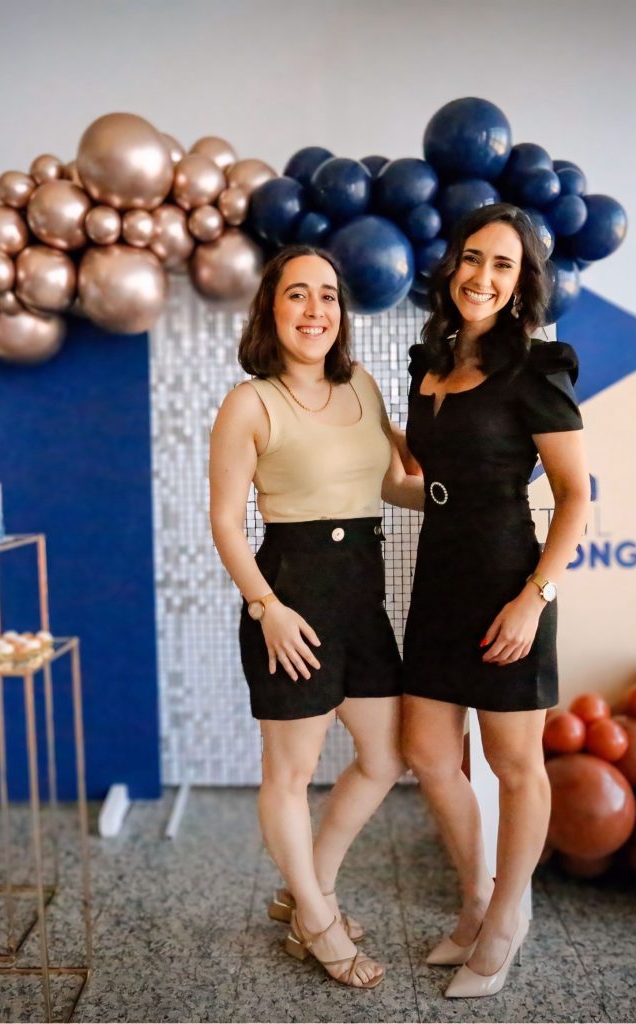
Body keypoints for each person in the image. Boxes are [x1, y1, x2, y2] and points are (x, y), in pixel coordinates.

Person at [208, 245, 424, 989]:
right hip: (290, 596)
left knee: (385, 757)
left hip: (361, 597)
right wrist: (265, 608)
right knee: (290, 772)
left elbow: (389, 485)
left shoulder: (361, 384)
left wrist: (460, 493)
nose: (315, 309)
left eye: (327, 295)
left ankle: (311, 894)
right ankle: (320, 922)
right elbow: (226, 524)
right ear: (271, 309)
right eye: (297, 294)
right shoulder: (249, 403)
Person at [399, 204, 591, 998]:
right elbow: (425, 478)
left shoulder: (535, 369)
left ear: (521, 284)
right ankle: (476, 898)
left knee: (515, 765)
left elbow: (576, 497)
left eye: (502, 265)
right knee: (427, 755)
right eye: (473, 258)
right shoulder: (429, 362)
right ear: (453, 266)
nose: (482, 276)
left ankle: (510, 915)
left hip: (508, 580)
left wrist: (533, 599)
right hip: (438, 578)